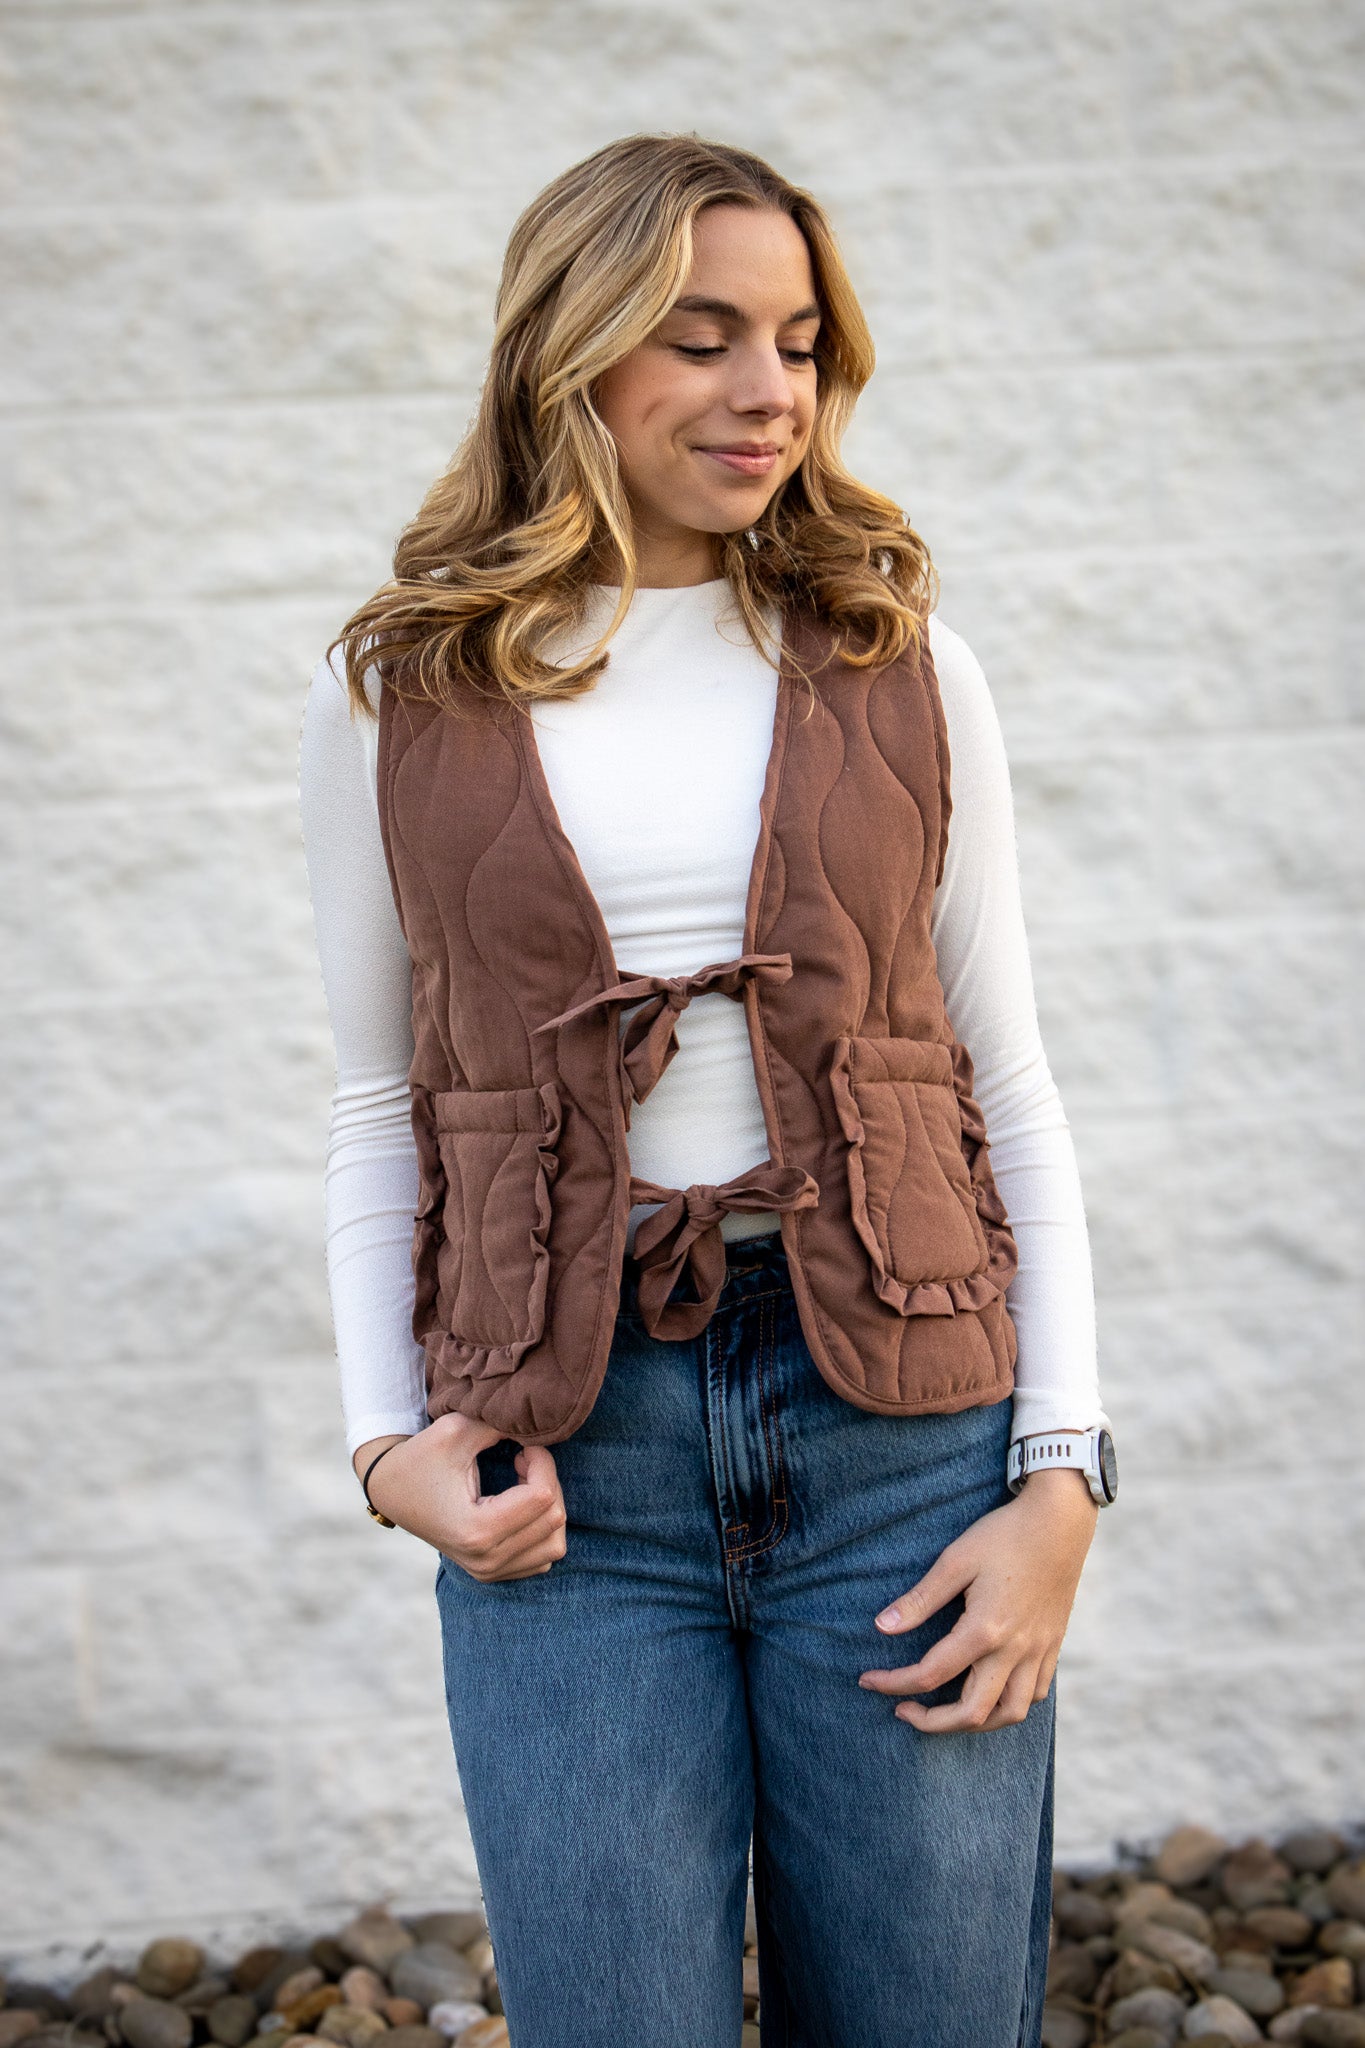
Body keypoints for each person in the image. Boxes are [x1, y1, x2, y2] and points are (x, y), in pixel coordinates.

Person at [299, 132, 1114, 2048]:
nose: (772, 392)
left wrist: (1060, 1477)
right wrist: (381, 1447)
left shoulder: (903, 668)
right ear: (570, 353)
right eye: (704, 336)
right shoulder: (398, 698)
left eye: (804, 343)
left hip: (904, 1446)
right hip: (569, 1473)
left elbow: (1007, 1080)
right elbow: (370, 1109)